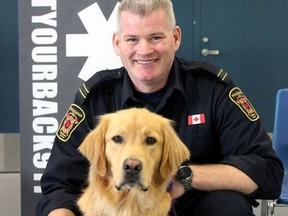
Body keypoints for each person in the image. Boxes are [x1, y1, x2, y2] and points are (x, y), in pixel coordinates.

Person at [36, 0, 284, 215]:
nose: (144, 50)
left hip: (191, 205)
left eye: (156, 37)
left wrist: (187, 178)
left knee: (228, 205)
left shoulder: (213, 89)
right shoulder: (96, 98)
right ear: (117, 43)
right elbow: (58, 186)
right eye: (132, 39)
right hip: (116, 210)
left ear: (175, 37)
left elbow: (267, 172)